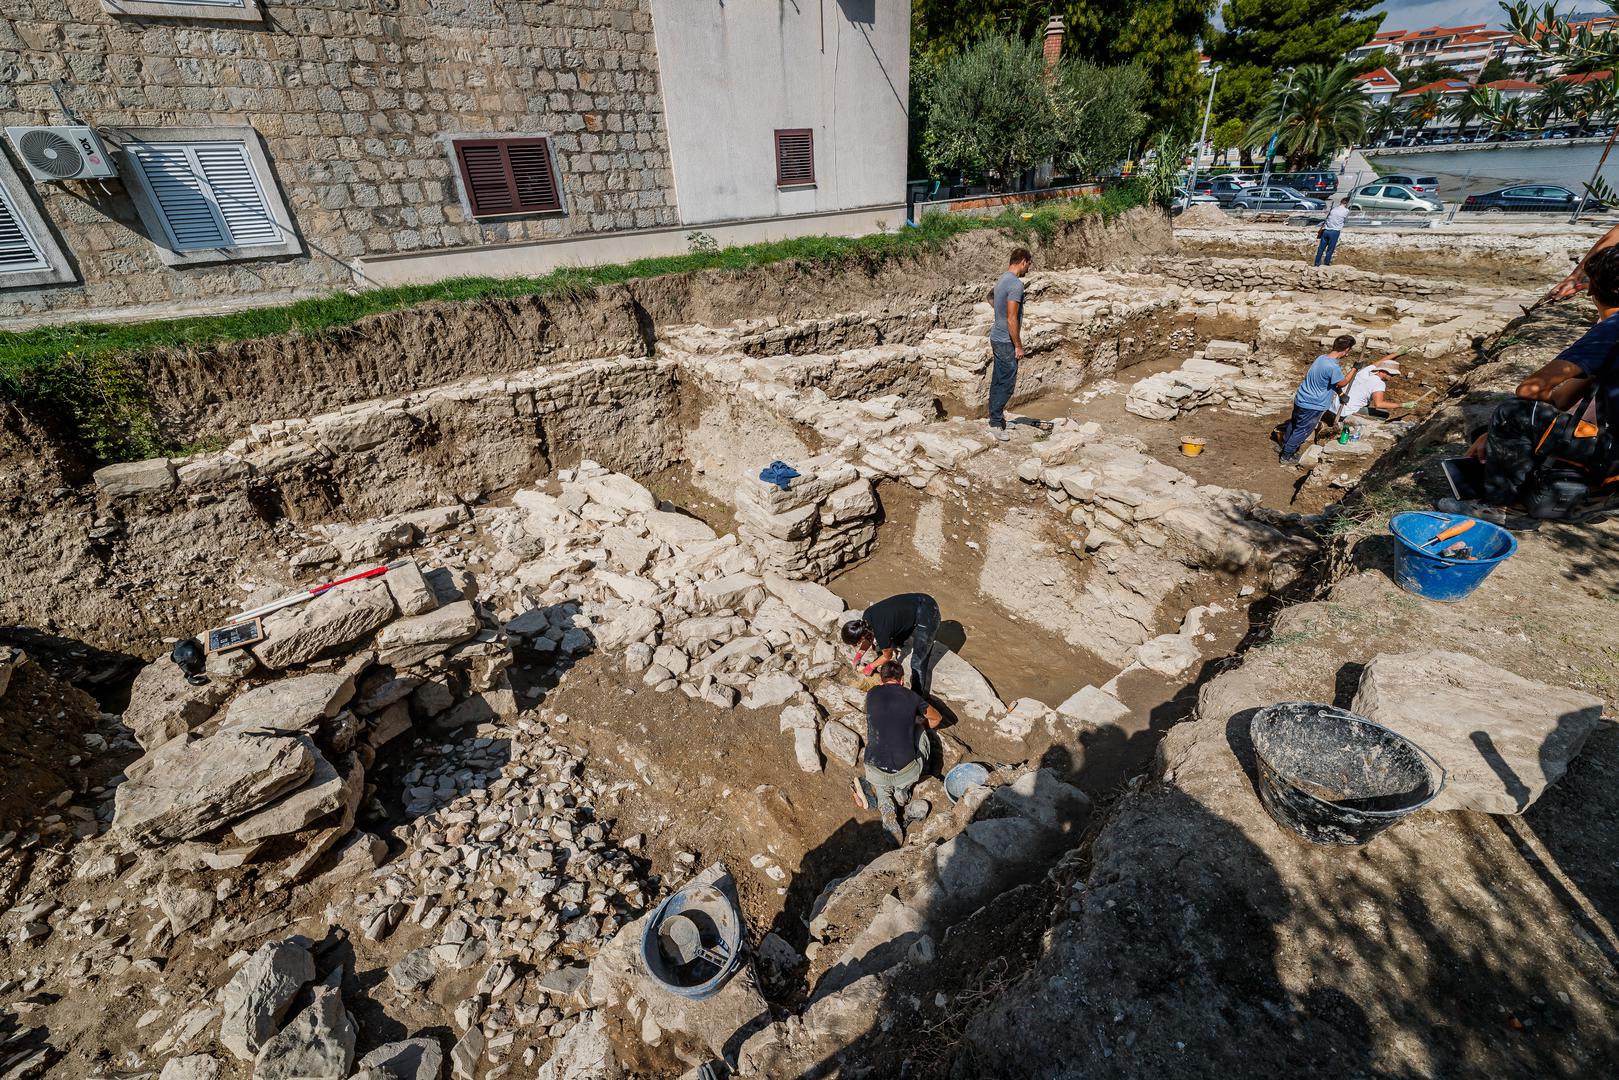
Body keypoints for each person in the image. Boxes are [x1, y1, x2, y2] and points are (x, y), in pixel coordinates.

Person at [1444, 245, 1619, 520]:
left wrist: (1499, 427)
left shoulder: (1611, 330)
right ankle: (1579, 496)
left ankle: (1503, 508)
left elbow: (1530, 389)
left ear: (1593, 291)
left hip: (1611, 454)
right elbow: (1563, 399)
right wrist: (1490, 432)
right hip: (1612, 452)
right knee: (1501, 428)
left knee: (1512, 414)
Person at [863, 660, 942, 846]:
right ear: (902, 680)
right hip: (906, 772)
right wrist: (918, 724)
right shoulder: (911, 696)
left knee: (882, 785)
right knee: (922, 732)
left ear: (881, 680)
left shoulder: (872, 693)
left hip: (873, 769)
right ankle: (902, 791)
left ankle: (887, 806)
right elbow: (937, 718)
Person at [840, 592, 942, 698]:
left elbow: (887, 656)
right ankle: (903, 638)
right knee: (895, 640)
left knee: (917, 662)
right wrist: (859, 655)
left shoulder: (881, 633)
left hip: (928, 612)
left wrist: (870, 666)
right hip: (916, 601)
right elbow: (868, 637)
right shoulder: (866, 618)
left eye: (856, 643)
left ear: (861, 637)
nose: (856, 646)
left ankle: (917, 698)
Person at [1278, 334, 1359, 464]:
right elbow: (1342, 383)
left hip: (1302, 399)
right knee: (1302, 430)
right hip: (1313, 404)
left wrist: (1340, 394)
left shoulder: (1321, 358)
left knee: (1294, 424)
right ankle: (1287, 455)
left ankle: (1284, 446)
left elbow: (1328, 382)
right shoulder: (1333, 367)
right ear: (1347, 350)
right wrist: (1355, 369)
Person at [988, 248, 1032, 443]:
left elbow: (990, 297)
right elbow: (1012, 319)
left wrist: (999, 312)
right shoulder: (1015, 285)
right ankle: (996, 423)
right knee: (1007, 383)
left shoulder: (1002, 279)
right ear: (1023, 261)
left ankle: (996, 418)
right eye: (1028, 264)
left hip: (996, 337)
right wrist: (1018, 346)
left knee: (998, 379)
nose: (1028, 269)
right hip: (1006, 341)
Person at [1335, 355, 1408, 423]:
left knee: (1366, 402)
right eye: (1392, 375)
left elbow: (1381, 361)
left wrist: (1396, 354)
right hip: (1345, 412)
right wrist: (1402, 405)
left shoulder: (1365, 371)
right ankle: (1356, 418)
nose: (1392, 377)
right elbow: (1379, 404)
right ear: (1384, 371)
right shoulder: (1379, 383)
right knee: (1384, 414)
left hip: (1335, 407)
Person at [1315, 198, 1350, 267]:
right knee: (1330, 250)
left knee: (1321, 249)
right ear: (1346, 204)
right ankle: (1326, 264)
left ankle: (1316, 264)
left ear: (1340, 202)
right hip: (1334, 232)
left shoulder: (1333, 209)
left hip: (1326, 231)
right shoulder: (1346, 211)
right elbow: (1346, 221)